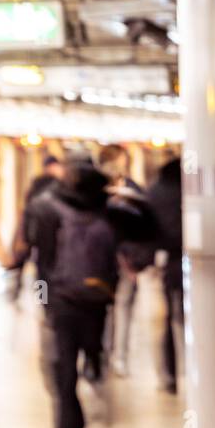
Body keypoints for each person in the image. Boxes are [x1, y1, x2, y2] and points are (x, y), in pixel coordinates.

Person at [27, 159, 156, 428]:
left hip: (62, 304)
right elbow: (152, 230)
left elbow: (41, 264)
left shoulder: (46, 207)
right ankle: (95, 366)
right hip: (98, 300)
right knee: (92, 352)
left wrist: (44, 306)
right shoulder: (108, 209)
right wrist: (131, 198)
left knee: (64, 377)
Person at [96, 144, 149, 377]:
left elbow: (144, 225)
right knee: (106, 308)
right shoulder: (95, 192)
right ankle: (104, 354)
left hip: (127, 260)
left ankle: (120, 357)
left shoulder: (133, 191)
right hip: (104, 259)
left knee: (123, 307)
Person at [145, 157, 184, 394]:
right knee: (184, 319)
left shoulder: (153, 192)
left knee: (168, 320)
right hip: (189, 260)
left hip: (167, 262)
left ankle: (169, 375)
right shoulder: (187, 190)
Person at [10, 155, 64, 302]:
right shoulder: (48, 185)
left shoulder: (51, 185)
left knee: (43, 269)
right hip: (42, 234)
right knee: (42, 269)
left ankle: (46, 300)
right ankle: (45, 300)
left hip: (43, 234)